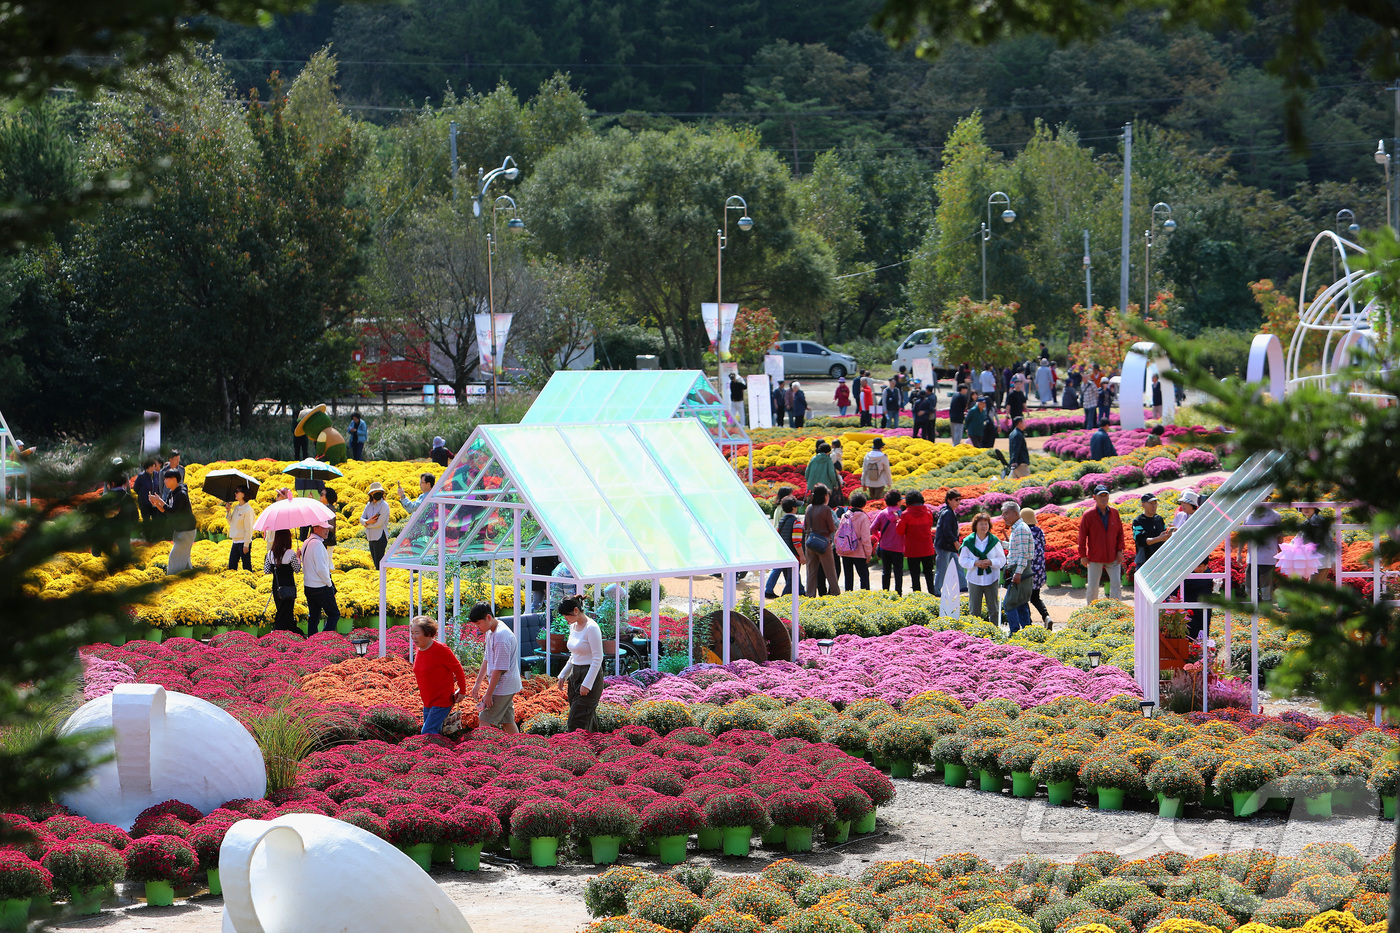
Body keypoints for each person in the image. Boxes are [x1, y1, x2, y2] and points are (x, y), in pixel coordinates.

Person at [469, 603, 521, 733]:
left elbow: (499, 669)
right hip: (506, 685)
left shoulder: (501, 636)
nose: (477, 627)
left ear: (488, 617)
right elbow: (487, 658)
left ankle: (483, 750)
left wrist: (488, 694)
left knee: (484, 719)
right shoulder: (491, 631)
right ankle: (520, 747)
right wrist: (477, 683)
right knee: (507, 722)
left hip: (504, 685)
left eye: (478, 623)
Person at [410, 616, 467, 735]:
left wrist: (462, 690)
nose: (413, 637)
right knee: (436, 733)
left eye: (416, 633)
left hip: (442, 701)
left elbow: (457, 669)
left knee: (427, 732)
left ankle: (438, 753)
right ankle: (444, 752)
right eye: (412, 633)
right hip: (427, 702)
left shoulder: (441, 649)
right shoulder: (420, 649)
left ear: (428, 633)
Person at [556, 597, 604, 731]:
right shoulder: (573, 626)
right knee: (586, 720)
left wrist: (587, 684)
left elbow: (597, 658)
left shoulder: (592, 627)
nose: (565, 618)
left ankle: (575, 749)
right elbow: (574, 655)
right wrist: (563, 674)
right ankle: (595, 747)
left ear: (576, 610)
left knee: (576, 723)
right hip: (575, 675)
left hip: (590, 675)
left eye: (567, 615)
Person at [1077, 485, 1125, 602]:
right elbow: (1082, 537)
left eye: (1106, 495)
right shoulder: (1088, 515)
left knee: (1116, 585)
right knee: (1093, 587)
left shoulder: (1114, 512)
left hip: (1113, 556)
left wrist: (1120, 551)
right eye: (1101, 496)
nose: (1104, 498)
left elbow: (1120, 533)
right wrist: (1083, 555)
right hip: (1094, 557)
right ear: (1094, 497)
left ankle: (1116, 610)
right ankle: (1091, 611)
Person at [959, 513, 1006, 625]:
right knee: (974, 609)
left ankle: (994, 631)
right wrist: (975, 563)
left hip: (991, 578)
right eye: (981, 524)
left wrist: (991, 562)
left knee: (993, 608)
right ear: (975, 525)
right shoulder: (968, 541)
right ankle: (976, 634)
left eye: (986, 524)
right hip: (974, 579)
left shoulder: (994, 541)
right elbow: (962, 560)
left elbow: (1002, 559)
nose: (984, 526)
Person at [148, 469, 196, 574]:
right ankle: (190, 577)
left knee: (174, 557)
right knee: (184, 560)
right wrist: (156, 504)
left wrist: (159, 501)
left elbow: (173, 511)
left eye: (166, 479)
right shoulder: (172, 492)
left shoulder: (181, 494)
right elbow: (166, 510)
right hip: (179, 530)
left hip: (186, 530)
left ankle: (171, 580)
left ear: (174, 480)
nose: (164, 481)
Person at [1000, 502, 1034, 634]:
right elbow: (1017, 548)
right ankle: (1027, 632)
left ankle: (1014, 632)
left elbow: (1023, 554)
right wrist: (1003, 544)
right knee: (1021, 603)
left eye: (1006, 513)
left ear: (1015, 513)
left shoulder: (1020, 529)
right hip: (1020, 569)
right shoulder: (1018, 528)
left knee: (1009, 603)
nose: (1004, 517)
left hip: (1020, 570)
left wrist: (1018, 572)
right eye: (1003, 514)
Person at [1236, 503, 1281, 603]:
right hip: (1252, 557)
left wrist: (1281, 552)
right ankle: (1258, 606)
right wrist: (1239, 553)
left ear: (1267, 499)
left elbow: (1279, 536)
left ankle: (1266, 610)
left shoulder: (1275, 516)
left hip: (1268, 557)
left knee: (1266, 589)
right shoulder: (1248, 515)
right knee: (1248, 588)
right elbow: (1243, 535)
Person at [299, 522, 339, 634]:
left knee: (314, 617)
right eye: (324, 528)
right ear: (315, 529)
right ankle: (322, 640)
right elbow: (321, 569)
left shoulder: (306, 542)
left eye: (328, 528)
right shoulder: (317, 544)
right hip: (320, 587)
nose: (327, 530)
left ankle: (312, 641)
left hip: (309, 586)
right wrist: (329, 584)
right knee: (334, 614)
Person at [803, 484, 841, 597]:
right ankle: (835, 594)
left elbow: (805, 526)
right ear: (825, 496)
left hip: (809, 541)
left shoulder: (809, 508)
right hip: (823, 542)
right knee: (830, 571)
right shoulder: (826, 509)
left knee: (811, 571)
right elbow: (831, 528)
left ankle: (810, 595)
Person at [895, 490, 936, 593]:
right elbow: (930, 525)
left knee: (915, 575)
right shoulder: (928, 512)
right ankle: (932, 594)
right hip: (927, 548)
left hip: (912, 549)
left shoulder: (905, 514)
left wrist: (897, 521)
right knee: (929, 573)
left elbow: (900, 531)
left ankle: (918, 596)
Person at [764, 496, 805, 598]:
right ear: (793, 508)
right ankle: (784, 599)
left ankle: (801, 592)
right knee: (792, 579)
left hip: (785, 554)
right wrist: (802, 556)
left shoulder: (782, 520)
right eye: (795, 506)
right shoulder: (796, 522)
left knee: (790, 578)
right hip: (794, 555)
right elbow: (797, 542)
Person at [264, 529, 302, 634]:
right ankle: (280, 633)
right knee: (287, 612)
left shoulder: (270, 553)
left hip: (277, 586)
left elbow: (267, 571)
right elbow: (297, 569)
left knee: (281, 610)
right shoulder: (290, 553)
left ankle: (283, 633)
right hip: (288, 586)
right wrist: (298, 557)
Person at [835, 492, 873, 591]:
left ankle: (848, 596)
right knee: (864, 576)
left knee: (848, 577)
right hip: (859, 552)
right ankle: (864, 598)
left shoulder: (845, 515)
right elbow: (865, 538)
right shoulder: (863, 517)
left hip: (846, 551)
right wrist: (868, 553)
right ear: (864, 504)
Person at [1022, 508, 1052, 628]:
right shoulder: (1039, 531)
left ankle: (1028, 623)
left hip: (1027, 570)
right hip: (1038, 570)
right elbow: (1043, 545)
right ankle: (1046, 617)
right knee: (1035, 597)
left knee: (1023, 598)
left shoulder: (1023, 531)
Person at [871, 491, 905, 594]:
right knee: (898, 572)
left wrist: (879, 537)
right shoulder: (901, 514)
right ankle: (898, 593)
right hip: (898, 547)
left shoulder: (882, 513)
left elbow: (872, 528)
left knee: (886, 571)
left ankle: (885, 592)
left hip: (885, 547)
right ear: (898, 502)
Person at [933, 489, 966, 596]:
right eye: (956, 500)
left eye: (959, 500)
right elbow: (946, 530)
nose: (958, 502)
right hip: (945, 545)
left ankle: (963, 585)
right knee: (942, 569)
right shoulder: (947, 513)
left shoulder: (948, 511)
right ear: (949, 500)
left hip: (948, 546)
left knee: (957, 565)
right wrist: (955, 541)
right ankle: (936, 589)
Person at [1132, 493, 1173, 569]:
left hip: (1160, 560)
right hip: (1144, 562)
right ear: (1143, 505)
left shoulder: (1159, 519)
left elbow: (1164, 535)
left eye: (1155, 503)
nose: (1154, 506)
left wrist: (1170, 534)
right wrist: (1159, 538)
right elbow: (1140, 541)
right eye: (1151, 503)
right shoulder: (1138, 521)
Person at [361, 482, 391, 569]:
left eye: (379, 492)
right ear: (371, 494)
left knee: (379, 564)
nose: (377, 493)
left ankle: (382, 580)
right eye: (374, 492)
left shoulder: (384, 505)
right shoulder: (369, 505)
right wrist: (367, 522)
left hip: (380, 536)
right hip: (370, 537)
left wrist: (366, 524)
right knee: (375, 562)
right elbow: (361, 519)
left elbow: (379, 524)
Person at [226, 486, 255, 571]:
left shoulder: (248, 510)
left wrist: (246, 545)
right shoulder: (236, 507)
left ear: (243, 494)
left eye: (237, 492)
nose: (235, 493)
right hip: (235, 541)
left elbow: (249, 529)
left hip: (243, 542)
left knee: (246, 567)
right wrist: (228, 511)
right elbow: (231, 522)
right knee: (232, 566)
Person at [133, 458, 163, 540]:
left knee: (156, 519)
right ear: (146, 468)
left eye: (154, 466)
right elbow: (136, 488)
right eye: (151, 467)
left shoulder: (157, 475)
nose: (152, 469)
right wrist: (143, 494)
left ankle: (156, 537)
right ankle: (147, 537)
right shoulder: (141, 476)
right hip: (144, 502)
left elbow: (159, 486)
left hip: (155, 502)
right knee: (146, 520)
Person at [319, 487, 339, 562]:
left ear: (328, 497)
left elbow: (331, 526)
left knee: (326, 562)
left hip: (327, 540)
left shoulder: (329, 508)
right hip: (325, 539)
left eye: (322, 494)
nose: (320, 496)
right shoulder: (325, 507)